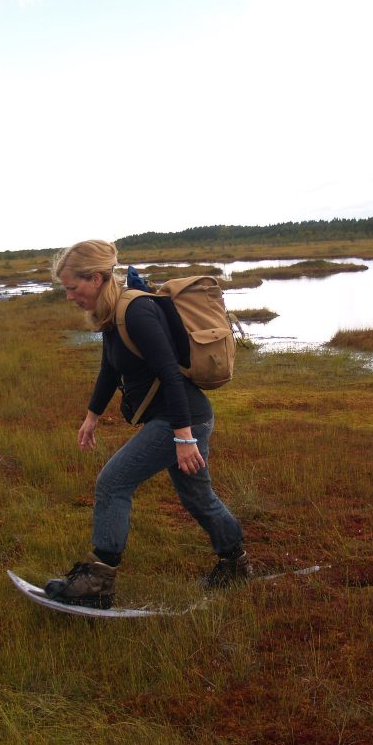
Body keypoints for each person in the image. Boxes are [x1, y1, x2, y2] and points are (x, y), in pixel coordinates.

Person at [44, 239, 249, 609]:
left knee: (113, 482)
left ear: (95, 278)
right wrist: (92, 416)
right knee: (198, 497)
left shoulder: (136, 310)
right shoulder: (112, 315)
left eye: (73, 288)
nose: (70, 297)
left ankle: (97, 581)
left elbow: (170, 372)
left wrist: (183, 439)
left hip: (181, 420)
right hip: (181, 419)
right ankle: (235, 564)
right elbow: (110, 367)